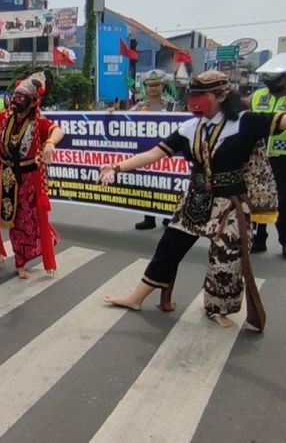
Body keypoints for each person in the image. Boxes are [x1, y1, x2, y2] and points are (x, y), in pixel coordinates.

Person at [100, 70, 286, 330]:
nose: (195, 101)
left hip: (230, 202)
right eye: (193, 95)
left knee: (226, 259)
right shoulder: (190, 128)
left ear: (221, 96)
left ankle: (217, 308)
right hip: (196, 197)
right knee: (169, 246)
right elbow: (155, 153)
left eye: (201, 95)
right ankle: (136, 297)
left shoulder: (246, 121)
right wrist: (117, 167)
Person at [0, 72, 65, 279]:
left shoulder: (38, 123)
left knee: (23, 226)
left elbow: (57, 130)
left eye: (23, 100)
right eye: (16, 99)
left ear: (32, 103)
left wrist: (50, 142)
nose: (17, 105)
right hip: (1, 177)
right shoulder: (4, 119)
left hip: (27, 181)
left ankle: (21, 263)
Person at [129, 69, 178, 231]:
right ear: (145, 87)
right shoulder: (139, 107)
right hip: (146, 152)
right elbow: (125, 122)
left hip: (167, 152)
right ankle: (148, 217)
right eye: (150, 85)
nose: (153, 88)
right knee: (148, 184)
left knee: (166, 184)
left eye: (157, 85)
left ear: (163, 86)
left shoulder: (172, 106)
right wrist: (112, 114)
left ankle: (167, 216)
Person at [250, 53, 286, 258]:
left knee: (283, 202)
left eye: (277, 81)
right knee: (258, 198)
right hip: (260, 156)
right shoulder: (258, 96)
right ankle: (258, 238)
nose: (271, 85)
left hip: (284, 157)